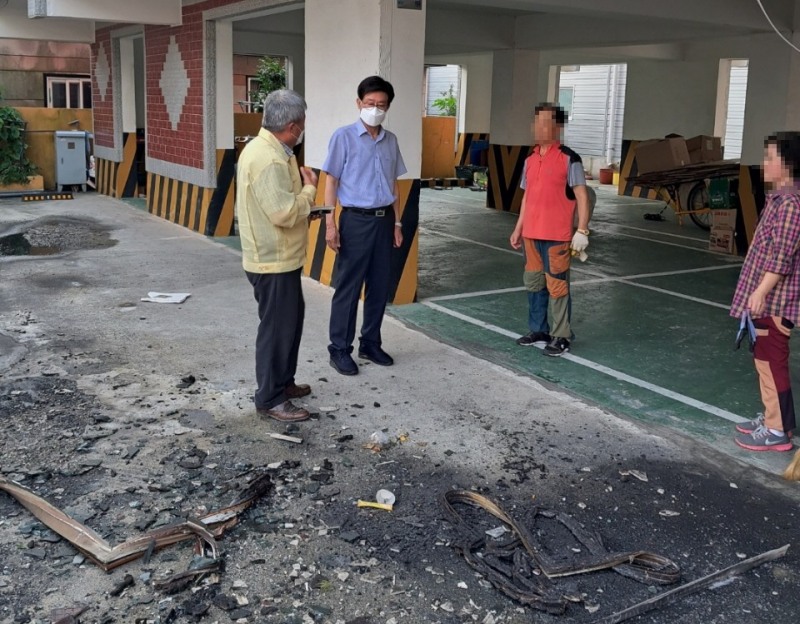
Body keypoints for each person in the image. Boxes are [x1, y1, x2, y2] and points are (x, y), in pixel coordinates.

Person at [236, 89, 318, 422]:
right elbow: (284, 212)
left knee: (289, 323)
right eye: (302, 124)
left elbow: (281, 204)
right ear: (293, 125)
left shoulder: (276, 150)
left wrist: (303, 205)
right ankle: (270, 397)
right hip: (272, 260)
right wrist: (310, 191)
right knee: (276, 329)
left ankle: (283, 383)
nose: (303, 130)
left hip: (282, 257)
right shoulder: (267, 158)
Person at [322, 75, 407, 376]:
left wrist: (397, 222)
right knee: (348, 287)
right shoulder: (343, 137)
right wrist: (330, 223)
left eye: (381, 105)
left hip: (384, 221)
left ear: (388, 107)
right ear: (359, 103)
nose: (375, 109)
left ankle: (370, 342)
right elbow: (331, 181)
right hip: (355, 221)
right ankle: (339, 349)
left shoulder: (391, 140)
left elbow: (393, 183)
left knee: (379, 285)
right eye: (370, 103)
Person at [731, 131, 800, 452]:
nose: (764, 163)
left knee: (772, 363)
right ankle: (773, 419)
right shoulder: (778, 200)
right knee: (763, 362)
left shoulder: (790, 206)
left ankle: (777, 430)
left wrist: (759, 293)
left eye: (771, 157)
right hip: (766, 300)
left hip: (775, 302)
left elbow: (781, 257)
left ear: (787, 165)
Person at [509, 103, 592, 357]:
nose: (539, 127)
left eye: (546, 122)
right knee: (534, 284)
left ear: (558, 127)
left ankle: (561, 336)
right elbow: (527, 197)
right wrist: (518, 228)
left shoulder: (569, 159)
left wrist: (582, 230)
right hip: (531, 235)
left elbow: (582, 196)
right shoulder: (530, 159)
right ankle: (538, 330)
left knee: (557, 287)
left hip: (557, 236)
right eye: (537, 121)